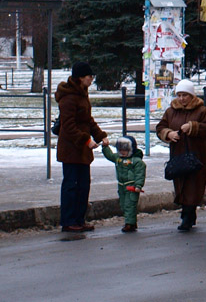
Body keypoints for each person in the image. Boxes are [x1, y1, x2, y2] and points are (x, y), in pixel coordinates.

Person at [55, 61, 109, 233]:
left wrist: (101, 135)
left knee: (83, 184)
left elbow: (88, 120)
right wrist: (86, 140)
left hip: (82, 150)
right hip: (71, 150)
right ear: (80, 78)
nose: (91, 79)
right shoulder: (68, 98)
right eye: (89, 76)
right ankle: (68, 221)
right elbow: (68, 126)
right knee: (71, 185)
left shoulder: (82, 94)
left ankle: (79, 219)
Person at [156, 79, 206, 232]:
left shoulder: (201, 111)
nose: (181, 98)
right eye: (179, 95)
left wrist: (193, 127)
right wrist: (168, 134)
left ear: (191, 95)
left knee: (193, 185)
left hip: (196, 155)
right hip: (178, 154)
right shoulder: (171, 111)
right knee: (181, 183)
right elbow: (161, 127)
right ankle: (188, 214)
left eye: (184, 95)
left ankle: (187, 216)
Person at [101, 135, 146, 233]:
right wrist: (105, 147)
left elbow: (140, 173)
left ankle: (129, 224)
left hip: (131, 186)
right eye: (120, 150)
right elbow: (110, 155)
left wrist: (138, 185)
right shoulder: (118, 158)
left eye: (125, 150)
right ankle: (132, 222)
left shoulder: (135, 161)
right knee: (123, 204)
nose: (122, 152)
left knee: (129, 204)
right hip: (121, 185)